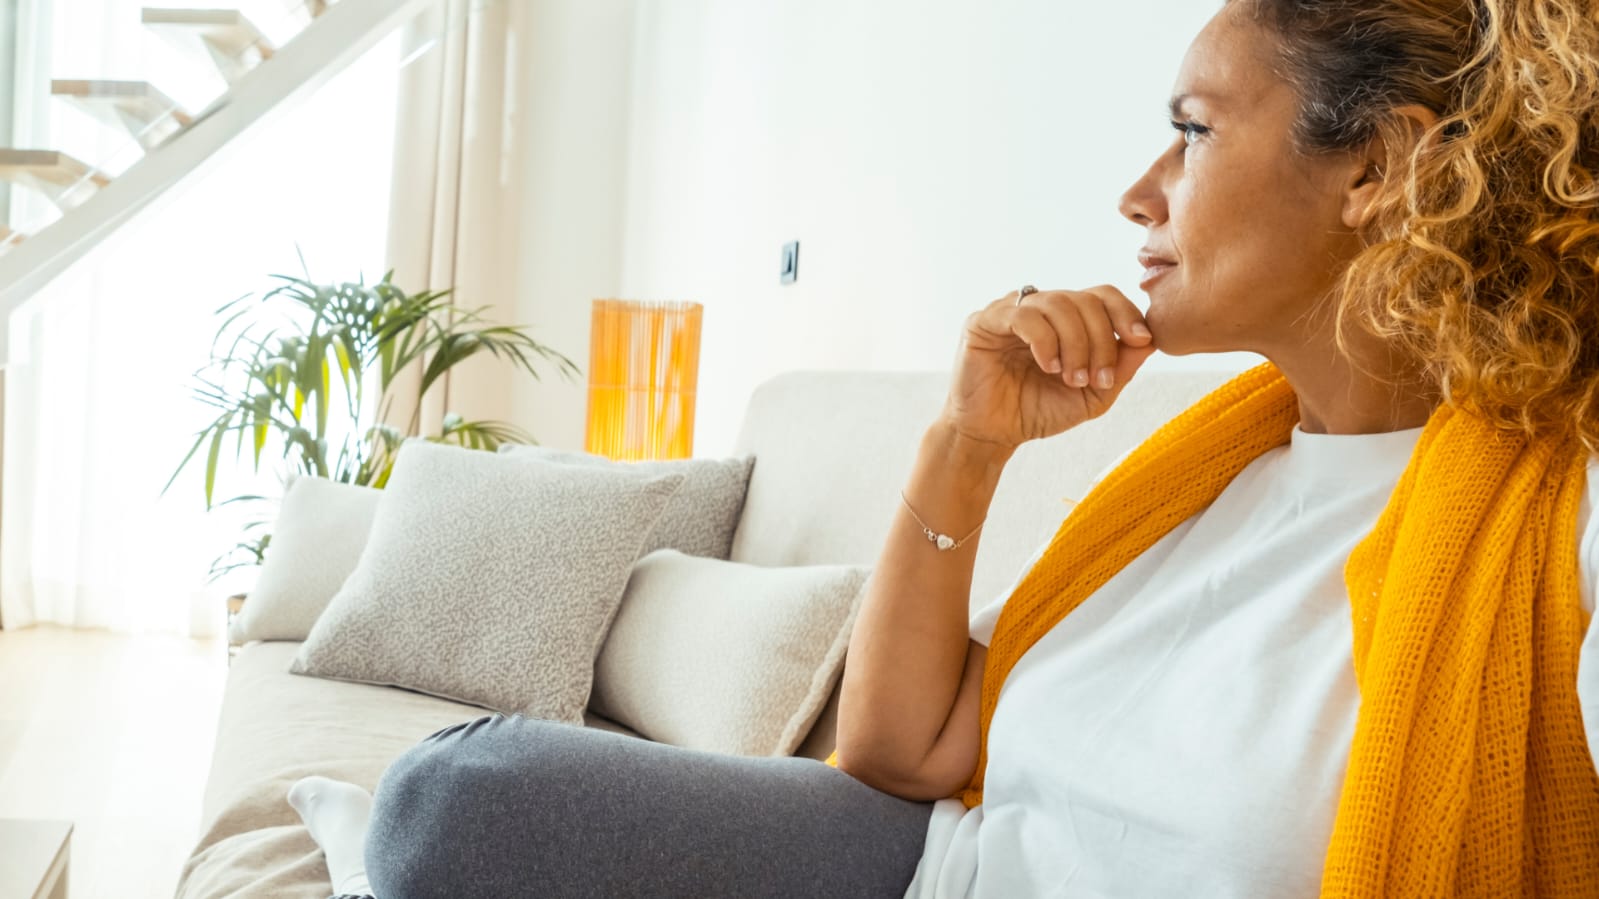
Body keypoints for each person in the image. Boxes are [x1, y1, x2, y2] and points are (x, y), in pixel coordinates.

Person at [288, 0, 1599, 895]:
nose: (1141, 192)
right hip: (927, 871)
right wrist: (969, 447)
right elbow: (902, 755)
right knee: (460, 800)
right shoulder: (1222, 477)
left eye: (1194, 130)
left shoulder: (1552, 529)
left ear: (1376, 165)